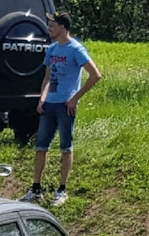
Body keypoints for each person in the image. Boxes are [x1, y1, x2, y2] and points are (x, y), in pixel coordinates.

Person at [26, 11, 101, 206]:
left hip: (66, 105)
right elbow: (48, 78)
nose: (49, 28)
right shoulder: (51, 50)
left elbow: (96, 75)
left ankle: (62, 190)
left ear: (63, 28)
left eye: (53, 25)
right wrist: (42, 99)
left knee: (65, 148)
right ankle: (35, 188)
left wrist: (75, 98)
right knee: (41, 147)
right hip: (49, 104)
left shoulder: (76, 49)